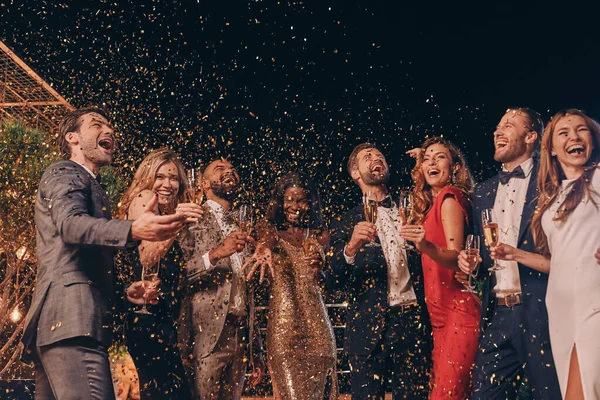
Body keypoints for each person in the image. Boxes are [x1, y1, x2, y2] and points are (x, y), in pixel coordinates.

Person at [20, 107, 190, 400]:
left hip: (63, 326)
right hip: (72, 325)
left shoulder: (91, 185)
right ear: (72, 138)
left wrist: (124, 295)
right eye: (97, 124)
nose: (109, 130)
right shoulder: (64, 171)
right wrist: (134, 229)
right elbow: (71, 226)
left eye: (110, 126)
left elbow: (80, 262)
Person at [493, 109, 600, 399]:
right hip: (561, 308)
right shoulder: (552, 199)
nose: (574, 137)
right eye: (563, 133)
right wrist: (515, 254)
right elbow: (560, 261)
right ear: (551, 148)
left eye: (582, 130)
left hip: (595, 302)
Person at [457, 108, 561, 399]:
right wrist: (472, 263)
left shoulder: (552, 183)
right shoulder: (483, 192)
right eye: (497, 126)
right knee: (484, 394)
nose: (497, 131)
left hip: (542, 311)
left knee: (549, 393)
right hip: (498, 314)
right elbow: (482, 251)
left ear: (530, 137)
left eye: (508, 125)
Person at [326, 143, 431, 399]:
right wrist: (350, 248)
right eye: (367, 156)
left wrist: (423, 161)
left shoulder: (413, 209)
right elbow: (332, 280)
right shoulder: (344, 221)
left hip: (412, 324)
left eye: (379, 154)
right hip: (367, 331)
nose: (376, 157)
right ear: (355, 174)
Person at [243, 172, 338, 400]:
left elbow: (330, 282)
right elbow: (266, 239)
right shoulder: (268, 231)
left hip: (319, 331)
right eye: (289, 200)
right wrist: (263, 248)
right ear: (280, 202)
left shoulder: (321, 236)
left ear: (310, 203)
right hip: (284, 334)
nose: (295, 206)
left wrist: (320, 272)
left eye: (301, 200)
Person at [177, 158, 265, 399]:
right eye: (220, 169)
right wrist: (216, 253)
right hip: (205, 335)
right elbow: (179, 274)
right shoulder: (193, 215)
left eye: (233, 170)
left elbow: (246, 289)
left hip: (240, 336)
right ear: (204, 183)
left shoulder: (242, 225)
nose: (229, 172)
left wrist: (256, 348)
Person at [118, 148, 203, 399]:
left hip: (160, 316)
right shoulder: (143, 198)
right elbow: (148, 256)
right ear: (147, 177)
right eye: (161, 177)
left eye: (174, 178)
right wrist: (178, 221)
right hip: (144, 319)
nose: (168, 184)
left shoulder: (165, 213)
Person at [400, 137, 480, 399]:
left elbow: (456, 256)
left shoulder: (449, 198)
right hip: (440, 318)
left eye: (440, 157)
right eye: (427, 159)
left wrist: (424, 245)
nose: (432, 162)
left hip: (459, 313)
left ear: (455, 167)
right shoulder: (431, 204)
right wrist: (424, 155)